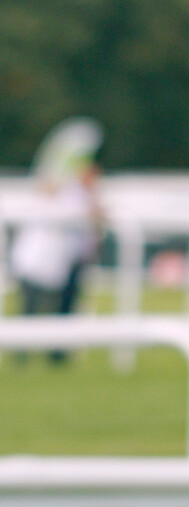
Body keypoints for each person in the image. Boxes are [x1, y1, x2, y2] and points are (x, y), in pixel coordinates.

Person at [10, 118, 105, 364]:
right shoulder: (60, 187)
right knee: (31, 308)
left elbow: (97, 218)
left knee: (63, 308)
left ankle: (56, 354)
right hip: (41, 256)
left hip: (66, 256)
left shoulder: (78, 190)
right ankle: (23, 353)